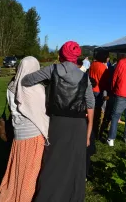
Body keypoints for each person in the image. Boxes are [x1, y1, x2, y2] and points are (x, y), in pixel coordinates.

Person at [22, 41, 95, 202]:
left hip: (58, 122)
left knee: (53, 162)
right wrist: (88, 134)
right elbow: (91, 106)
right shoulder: (84, 77)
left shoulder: (52, 70)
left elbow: (27, 80)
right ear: (77, 57)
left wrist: (45, 84)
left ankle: (47, 196)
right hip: (78, 125)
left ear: (62, 54)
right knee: (75, 164)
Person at [0, 57, 49, 202]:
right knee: (31, 172)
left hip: (18, 131)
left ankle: (14, 190)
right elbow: (40, 113)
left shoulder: (12, 84)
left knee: (19, 166)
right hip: (34, 133)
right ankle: (25, 196)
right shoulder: (34, 88)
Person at [88, 51, 110, 139]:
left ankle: (88, 126)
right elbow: (105, 82)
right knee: (97, 112)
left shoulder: (92, 64)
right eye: (107, 57)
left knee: (89, 108)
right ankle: (94, 131)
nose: (108, 58)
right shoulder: (103, 67)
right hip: (98, 90)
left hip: (90, 89)